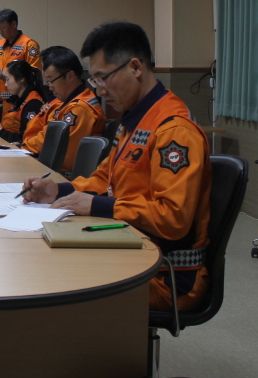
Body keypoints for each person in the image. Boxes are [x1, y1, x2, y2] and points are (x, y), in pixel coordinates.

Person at [22, 21, 212, 311]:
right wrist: (57, 191)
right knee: (41, 261)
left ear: (135, 67)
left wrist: (98, 206)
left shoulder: (174, 130)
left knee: (50, 280)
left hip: (164, 274)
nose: (99, 90)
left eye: (102, 78)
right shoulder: (135, 121)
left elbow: (172, 218)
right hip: (127, 245)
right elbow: (103, 180)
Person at [19, 46, 105, 172]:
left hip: (61, 176)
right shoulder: (66, 102)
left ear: (70, 76)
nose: (50, 87)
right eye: (48, 82)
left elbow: (64, 160)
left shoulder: (79, 108)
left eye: (51, 81)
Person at [0, 9, 41, 110]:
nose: (0, 31)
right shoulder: (0, 44)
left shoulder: (29, 44)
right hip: (3, 99)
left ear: (14, 24)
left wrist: (9, 77)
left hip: (21, 99)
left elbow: (35, 72)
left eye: (3, 28)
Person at [0, 60, 43, 143]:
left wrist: (0, 132)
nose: (5, 84)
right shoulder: (18, 99)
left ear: (21, 79)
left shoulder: (32, 103)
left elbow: (26, 139)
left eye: (8, 79)